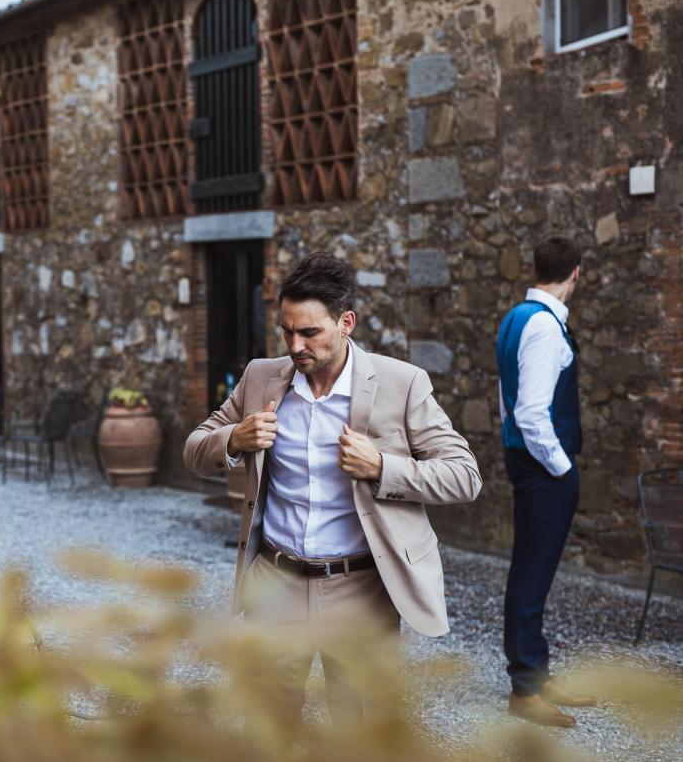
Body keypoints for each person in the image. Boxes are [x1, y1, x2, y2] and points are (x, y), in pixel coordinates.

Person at [184, 252, 481, 724]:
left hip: (360, 589)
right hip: (275, 583)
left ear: (346, 323)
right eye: (287, 331)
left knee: (359, 733)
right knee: (265, 727)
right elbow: (194, 448)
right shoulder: (260, 378)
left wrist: (382, 467)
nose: (295, 345)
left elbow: (464, 475)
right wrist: (234, 439)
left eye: (309, 332)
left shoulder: (401, 384)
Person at [497, 236, 595, 727]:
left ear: (537, 268)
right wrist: (562, 468)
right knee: (532, 575)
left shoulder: (517, 318)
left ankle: (536, 672)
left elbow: (506, 399)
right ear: (575, 272)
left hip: (527, 461)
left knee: (531, 571)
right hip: (543, 468)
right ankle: (526, 687)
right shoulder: (542, 326)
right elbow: (531, 412)